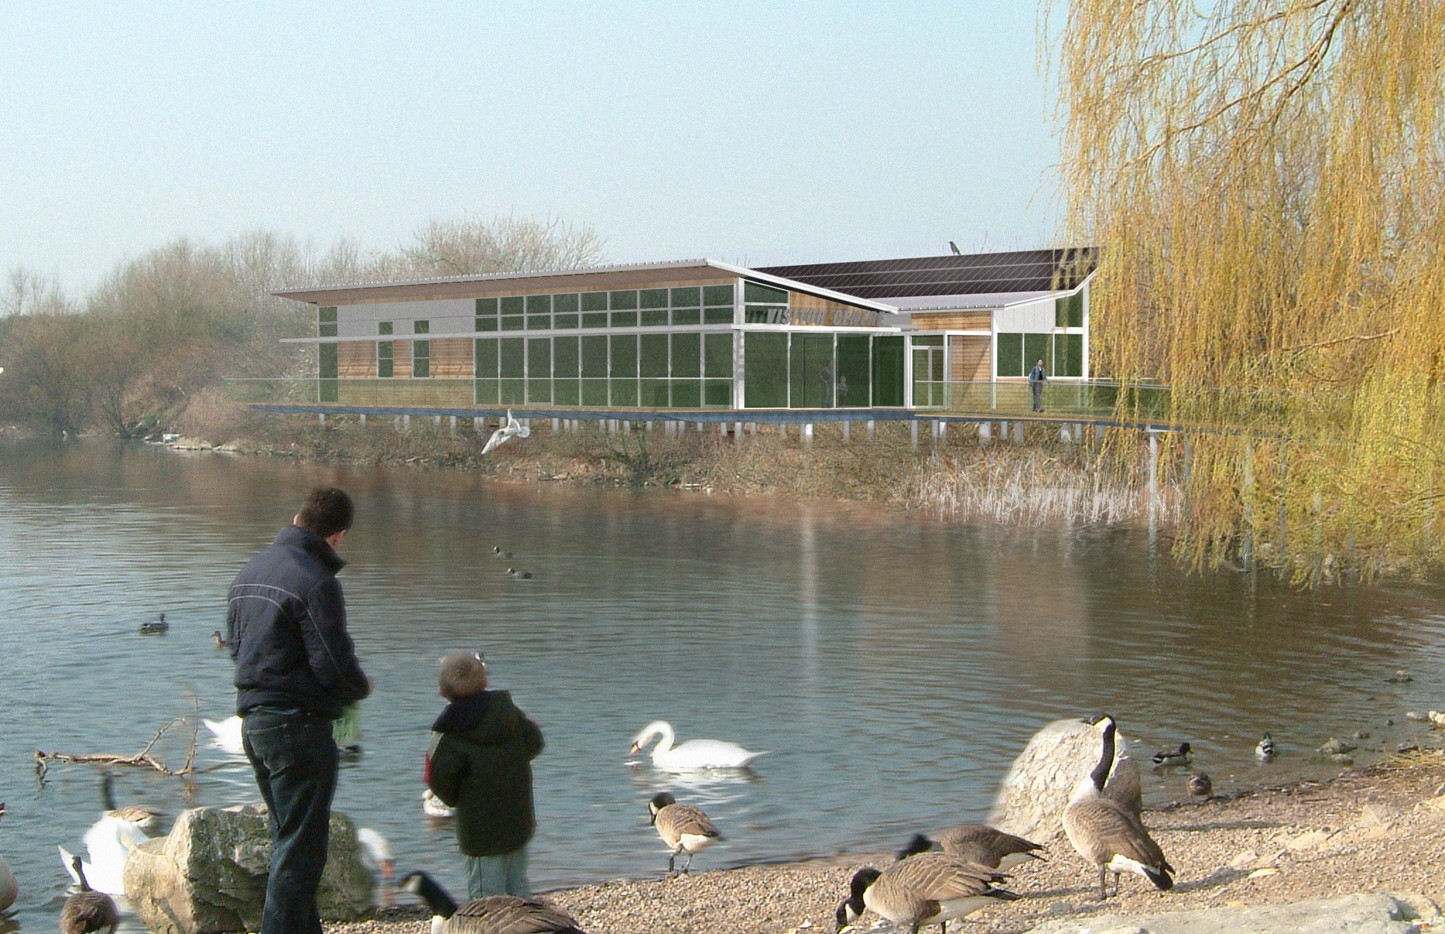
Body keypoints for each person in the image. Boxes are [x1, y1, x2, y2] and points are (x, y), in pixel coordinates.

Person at [228, 487, 372, 934]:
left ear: (297, 517)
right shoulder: (316, 581)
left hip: (254, 723)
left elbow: (238, 647)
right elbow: (332, 664)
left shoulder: (248, 571)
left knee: (289, 842)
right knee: (300, 854)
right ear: (338, 536)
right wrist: (359, 688)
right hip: (297, 727)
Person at [425, 651, 544, 899]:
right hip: (518, 818)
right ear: (485, 681)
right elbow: (535, 743)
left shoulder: (448, 733)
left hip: (479, 831)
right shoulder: (510, 712)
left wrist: (459, 799)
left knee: (485, 896)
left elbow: (438, 781)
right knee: (518, 885)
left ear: (441, 691)